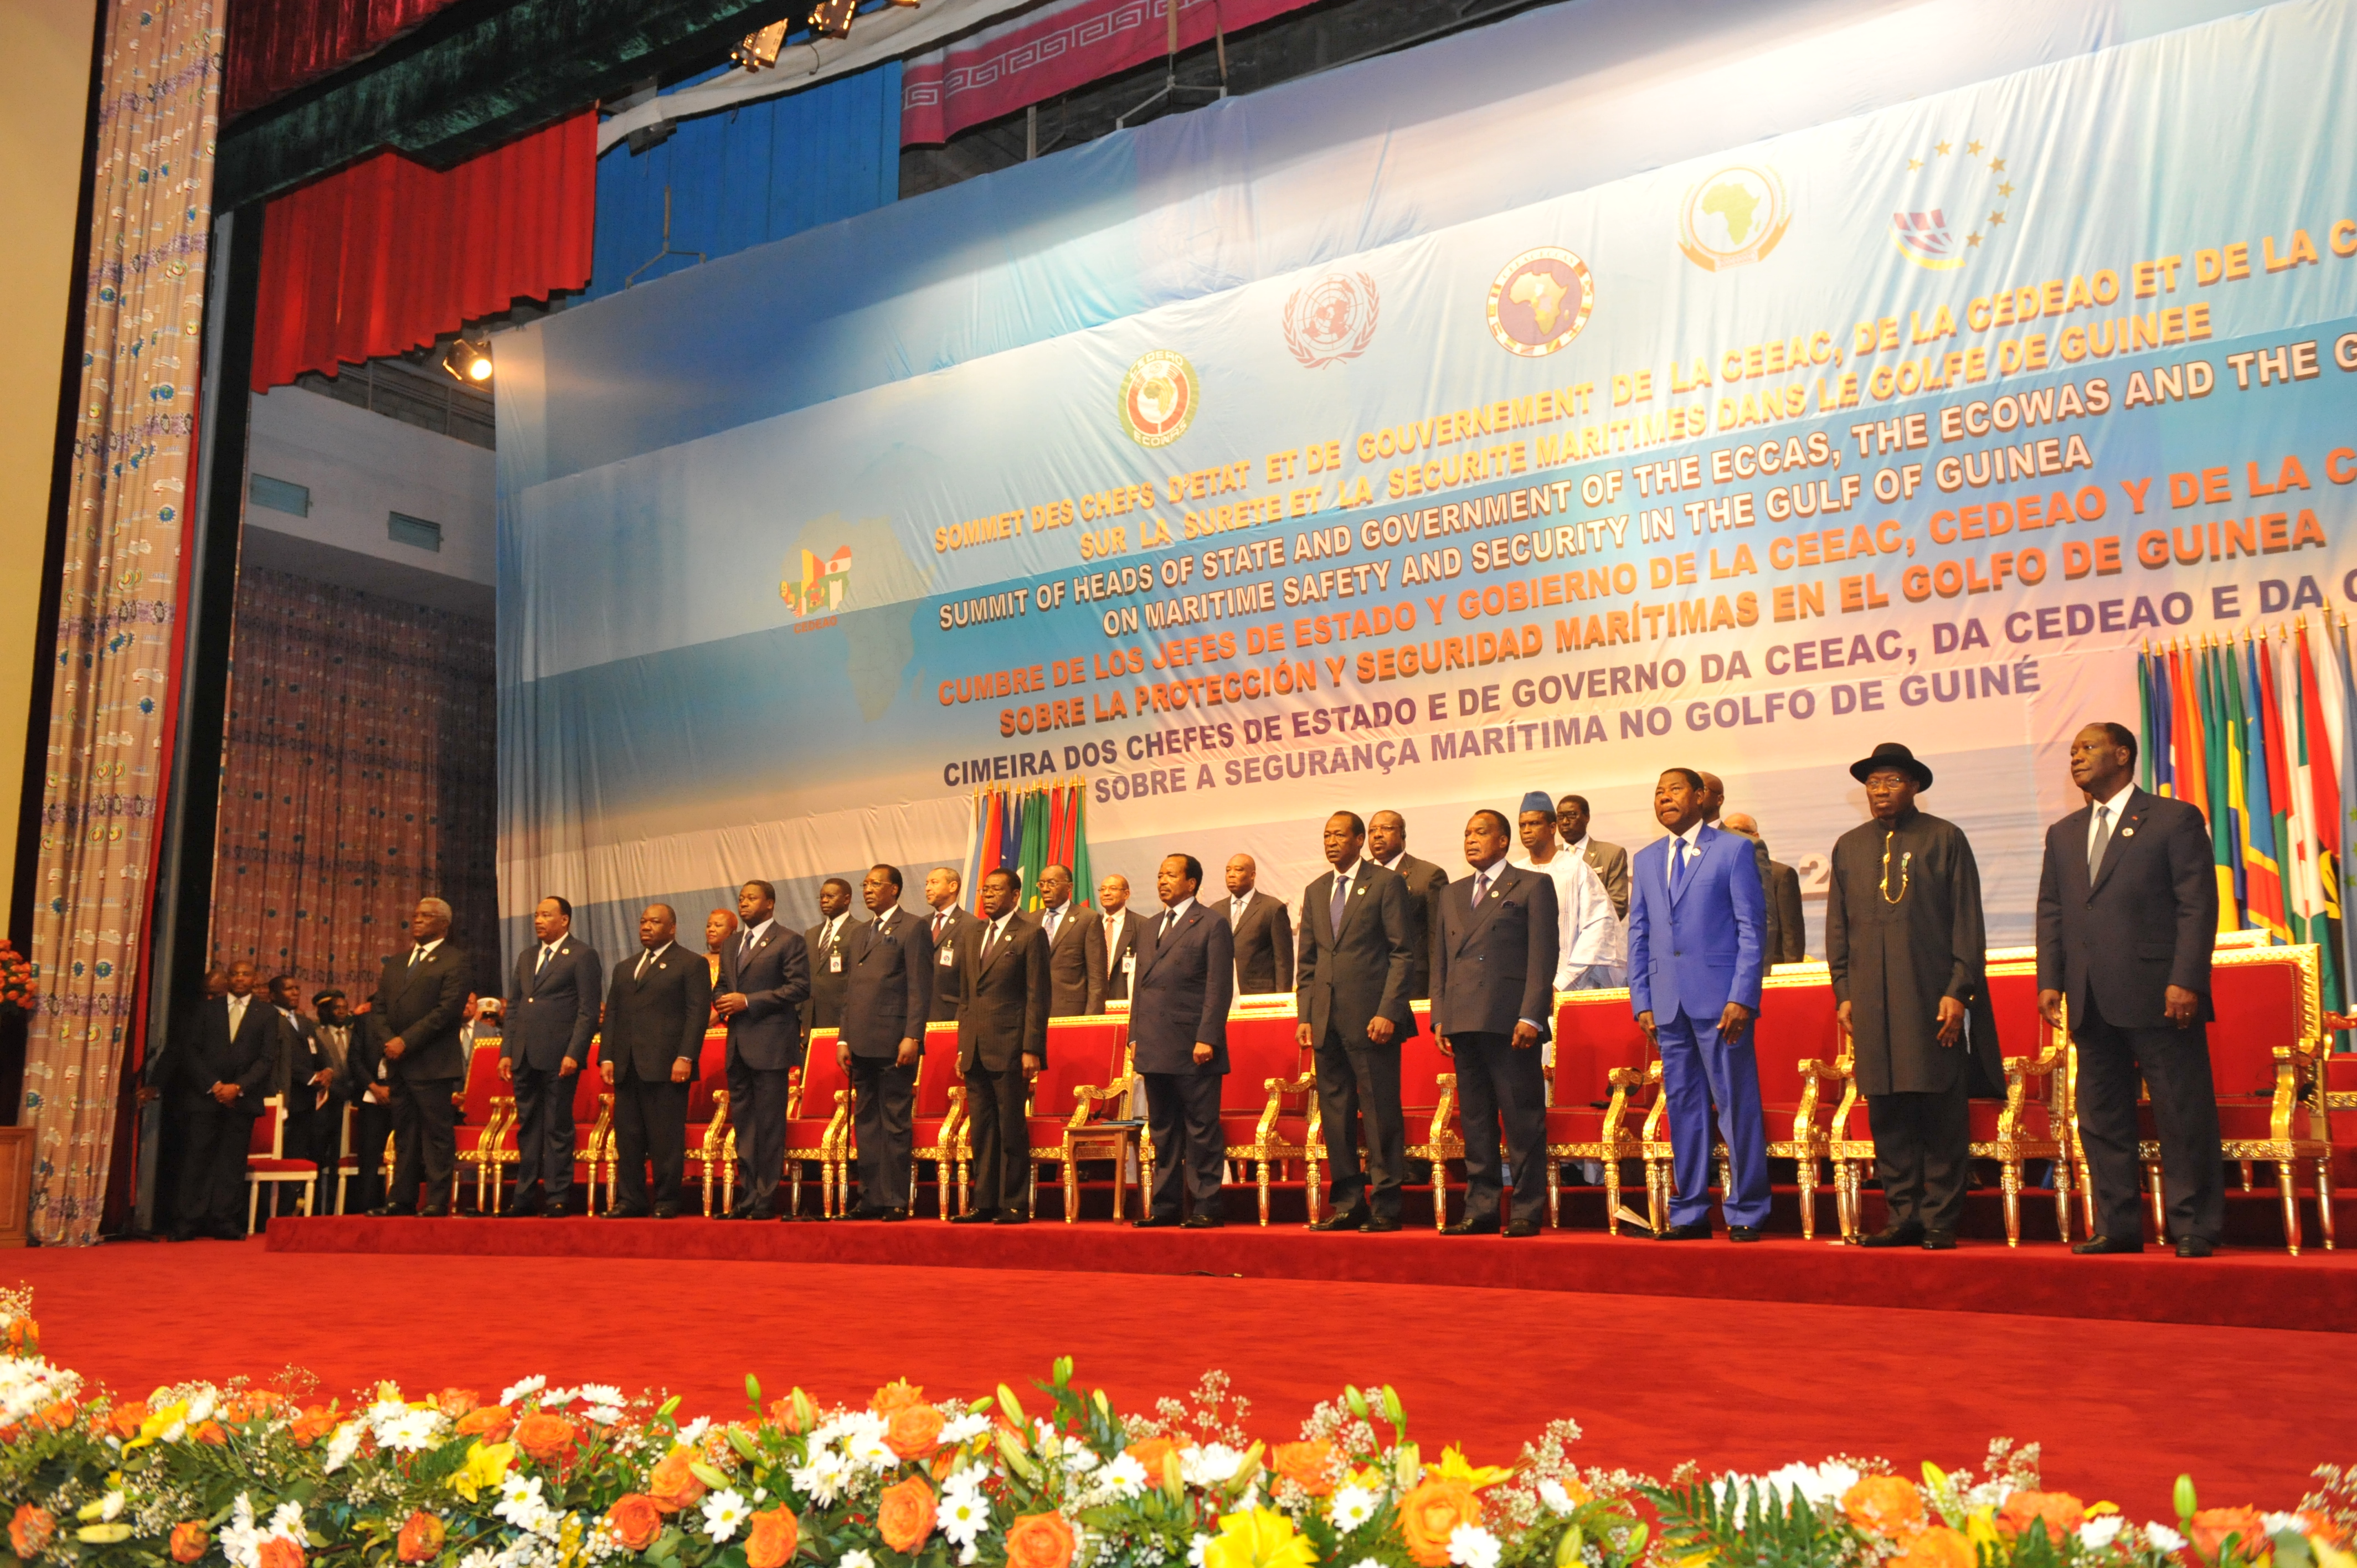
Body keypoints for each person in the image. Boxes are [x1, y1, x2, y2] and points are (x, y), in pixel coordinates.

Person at [2036, 721, 2222, 1257]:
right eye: (2071, 750)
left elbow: (2196, 905)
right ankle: (2116, 1226)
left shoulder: (2172, 819)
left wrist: (2185, 979)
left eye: (2087, 748)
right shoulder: (2064, 833)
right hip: (2089, 997)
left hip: (2159, 992)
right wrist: (2050, 979)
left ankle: (2193, 1226)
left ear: (2122, 755)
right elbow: (2052, 910)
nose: (2075, 757)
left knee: (2179, 1113)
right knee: (2100, 1117)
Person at [1824, 743, 2002, 1249]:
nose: (1881, 791)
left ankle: (1941, 1219)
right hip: (1870, 1000)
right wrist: (1843, 991)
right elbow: (1839, 927)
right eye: (1874, 782)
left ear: (1915, 786)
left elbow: (1968, 923)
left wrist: (1958, 991)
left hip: (1931, 997)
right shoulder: (1850, 845)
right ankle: (1903, 1216)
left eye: (1893, 781)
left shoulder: (1944, 838)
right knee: (1887, 1111)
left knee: (1938, 1109)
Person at [1628, 769, 1769, 1241]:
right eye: (1658, 791)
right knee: (1683, 1108)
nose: (1664, 797)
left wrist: (1742, 996)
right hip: (1668, 1007)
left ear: (1701, 797)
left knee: (1735, 1106)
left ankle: (1747, 1208)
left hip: (1722, 1004)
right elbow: (1640, 934)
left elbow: (1752, 928)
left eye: (1674, 790)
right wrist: (1642, 998)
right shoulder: (1647, 860)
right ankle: (1688, 1211)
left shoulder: (1733, 850)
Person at [1431, 811, 1560, 1236]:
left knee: (1522, 1119)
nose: (1471, 840)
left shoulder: (1532, 885)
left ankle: (1526, 1209)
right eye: (1467, 833)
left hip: (1510, 1021)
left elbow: (1543, 956)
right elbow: (1441, 964)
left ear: (1504, 842)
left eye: (1481, 833)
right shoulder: (1451, 894)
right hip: (1463, 1020)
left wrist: (1531, 1014)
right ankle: (1481, 1208)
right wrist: (1440, 1017)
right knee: (1476, 1121)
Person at [1294, 811, 1415, 1232]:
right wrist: (1305, 1015)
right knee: (1336, 1115)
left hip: (1372, 1020)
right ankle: (1348, 1202)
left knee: (1380, 1114)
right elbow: (1307, 962)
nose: (1331, 842)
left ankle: (1385, 1206)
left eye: (1340, 835)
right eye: (1326, 835)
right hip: (1326, 1021)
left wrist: (1389, 1010)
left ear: (1360, 839)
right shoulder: (1315, 890)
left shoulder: (1385, 883)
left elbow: (1403, 953)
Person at [1131, 854, 1235, 1227]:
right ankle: (1166, 1206)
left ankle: (1207, 1205)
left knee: (1201, 1128)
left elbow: (1218, 988)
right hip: (1155, 1044)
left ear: (1191, 883)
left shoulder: (1212, 923)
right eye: (1160, 875)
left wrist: (1207, 1037)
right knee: (1163, 1130)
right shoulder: (1149, 926)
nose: (1163, 881)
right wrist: (1134, 1037)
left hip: (1194, 1046)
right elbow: (1140, 988)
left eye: (1171, 875)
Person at [950, 867, 1049, 1225]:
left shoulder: (1030, 933)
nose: (988, 896)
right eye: (984, 890)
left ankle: (1014, 1203)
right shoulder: (973, 933)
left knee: (1010, 1128)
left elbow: (1038, 996)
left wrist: (1031, 1048)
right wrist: (963, 1046)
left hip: (1010, 1045)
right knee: (982, 1129)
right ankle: (985, 1202)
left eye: (996, 890)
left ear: (1014, 896)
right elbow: (965, 997)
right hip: (975, 1047)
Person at [600, 904, 712, 1218]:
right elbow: (613, 1015)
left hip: (667, 1066)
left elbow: (697, 1015)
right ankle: (631, 1200)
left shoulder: (690, 964)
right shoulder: (625, 967)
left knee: (665, 1138)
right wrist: (606, 1056)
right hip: (626, 1065)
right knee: (630, 1138)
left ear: (673, 928)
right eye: (643, 922)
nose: (646, 927)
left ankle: (666, 1200)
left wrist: (686, 1056)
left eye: (655, 922)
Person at [498, 895, 600, 1218]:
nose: (539, 921)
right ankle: (524, 1197)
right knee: (528, 1126)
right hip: (524, 1055)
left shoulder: (582, 955)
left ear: (564, 920)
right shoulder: (528, 956)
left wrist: (575, 1052)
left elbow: (588, 1010)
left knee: (557, 1126)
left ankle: (557, 1196)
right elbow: (513, 1006)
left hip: (559, 1057)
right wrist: (507, 1052)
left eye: (546, 915)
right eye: (537, 915)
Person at [840, 864, 932, 1220]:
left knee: (894, 1122)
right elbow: (850, 992)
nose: (868, 890)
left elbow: (919, 987)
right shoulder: (861, 932)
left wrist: (913, 1035)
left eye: (876, 884)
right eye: (865, 884)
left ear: (894, 889)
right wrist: (843, 1037)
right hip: (860, 1042)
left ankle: (895, 1199)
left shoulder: (913, 927)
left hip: (895, 1043)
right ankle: (870, 1197)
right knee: (865, 1124)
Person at [717, 879, 812, 1219]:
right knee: (745, 1126)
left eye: (751, 898)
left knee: (769, 1125)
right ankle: (747, 1196)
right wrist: (723, 1001)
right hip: (738, 1046)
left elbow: (799, 987)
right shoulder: (731, 945)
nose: (744, 903)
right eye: (741, 898)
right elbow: (722, 986)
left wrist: (748, 1001)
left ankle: (767, 1197)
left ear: (769, 904)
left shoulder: (789, 941)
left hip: (771, 1046)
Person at [373, 898, 472, 1216]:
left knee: (437, 1135)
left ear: (444, 924)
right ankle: (400, 1199)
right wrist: (389, 1040)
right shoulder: (397, 962)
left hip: (432, 1063)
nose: (417, 921)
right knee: (405, 1134)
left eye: (426, 917)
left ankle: (436, 1201)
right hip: (399, 1062)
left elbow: (446, 1012)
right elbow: (379, 1009)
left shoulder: (454, 961)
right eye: (415, 915)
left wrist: (406, 1040)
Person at [168, 960, 277, 1240]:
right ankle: (188, 1221)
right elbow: (191, 1051)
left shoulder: (266, 1014)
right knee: (197, 1159)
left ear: (255, 979)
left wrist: (238, 1087)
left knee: (232, 1162)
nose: (240, 979)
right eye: (235, 974)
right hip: (206, 1097)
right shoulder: (207, 1009)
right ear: (228, 979)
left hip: (242, 1099)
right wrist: (215, 1086)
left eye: (246, 974)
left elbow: (266, 1059)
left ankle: (224, 1220)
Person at [1511, 790, 1624, 990]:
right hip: (1521, 988)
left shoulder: (1577, 869)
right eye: (1522, 825)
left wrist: (1562, 983)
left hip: (1572, 986)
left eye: (1535, 824)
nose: (1527, 830)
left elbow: (1597, 930)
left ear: (1552, 827)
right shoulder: (1514, 874)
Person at [1700, 771, 1784, 967]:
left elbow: (1764, 918)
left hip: (1736, 969)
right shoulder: (1674, 847)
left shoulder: (1747, 844)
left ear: (1720, 799)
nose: (1694, 794)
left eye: (1701, 789)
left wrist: (1757, 974)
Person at [1368, 810, 1449, 1001]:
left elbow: (1437, 939)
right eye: (1372, 830)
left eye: (1386, 828)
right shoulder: (1359, 877)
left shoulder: (1429, 876)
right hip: (1368, 984)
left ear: (1403, 835)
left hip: (1413, 984)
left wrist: (1437, 993)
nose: (1378, 834)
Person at [264, 974, 325, 1215]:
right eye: (288, 989)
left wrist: (327, 1071)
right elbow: (283, 1060)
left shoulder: (305, 1022)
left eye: (297, 989)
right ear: (273, 995)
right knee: (278, 1156)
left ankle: (288, 1210)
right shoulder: (269, 1018)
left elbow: (318, 1053)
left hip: (305, 1100)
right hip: (282, 1096)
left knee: (297, 1154)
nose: (294, 993)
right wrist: (311, 1078)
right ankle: (266, 1213)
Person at [1722, 813, 1808, 964]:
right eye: (1726, 832)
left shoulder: (1781, 875)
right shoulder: (1719, 872)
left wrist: (1791, 973)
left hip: (1771, 965)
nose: (1732, 837)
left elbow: (1792, 935)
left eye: (1737, 830)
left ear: (1755, 836)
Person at [339, 995, 397, 1214]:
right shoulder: (365, 1022)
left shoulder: (409, 1022)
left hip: (400, 1093)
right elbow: (354, 1059)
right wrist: (374, 1087)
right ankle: (367, 1205)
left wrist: (394, 1089)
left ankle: (396, 1203)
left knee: (404, 1152)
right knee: (370, 1153)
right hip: (371, 1093)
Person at [1221, 854, 1295, 994]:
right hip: (1223, 995)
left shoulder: (1272, 908)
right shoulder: (1216, 910)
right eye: (1228, 870)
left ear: (1252, 875)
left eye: (1238, 870)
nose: (1231, 875)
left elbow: (1283, 961)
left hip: (1260, 994)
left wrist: (1282, 1000)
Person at [1036, 864, 1100, 1017]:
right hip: (1033, 1013)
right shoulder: (1030, 920)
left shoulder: (1087, 919)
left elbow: (1097, 978)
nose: (1045, 889)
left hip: (1070, 1013)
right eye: (1042, 884)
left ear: (1069, 887)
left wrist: (1091, 1021)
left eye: (1052, 883)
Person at [1557, 795, 1629, 921]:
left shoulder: (1612, 854)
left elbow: (1617, 905)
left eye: (1572, 815)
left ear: (1587, 817)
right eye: (1560, 817)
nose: (1565, 822)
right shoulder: (1550, 856)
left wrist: (1587, 933)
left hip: (1596, 935)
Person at [923, 866, 981, 1023]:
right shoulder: (921, 924)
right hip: (918, 1016)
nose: (928, 888)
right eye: (927, 883)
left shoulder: (972, 925)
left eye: (934, 883)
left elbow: (972, 980)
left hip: (950, 1015)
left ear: (953, 886)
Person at [805, 877, 858, 1047]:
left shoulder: (860, 930)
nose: (824, 901)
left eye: (830, 896)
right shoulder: (811, 934)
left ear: (847, 899)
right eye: (821, 897)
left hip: (842, 1018)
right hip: (810, 1020)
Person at [1087, 874, 1141, 1008]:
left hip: (1126, 1000)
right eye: (1103, 889)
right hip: (1093, 1001)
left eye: (1112, 889)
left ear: (1126, 894)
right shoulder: (1090, 924)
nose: (1106, 893)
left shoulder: (1142, 925)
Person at [704, 907, 738, 990]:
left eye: (718, 925)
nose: (711, 930)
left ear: (732, 931)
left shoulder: (737, 959)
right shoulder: (699, 960)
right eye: (709, 926)